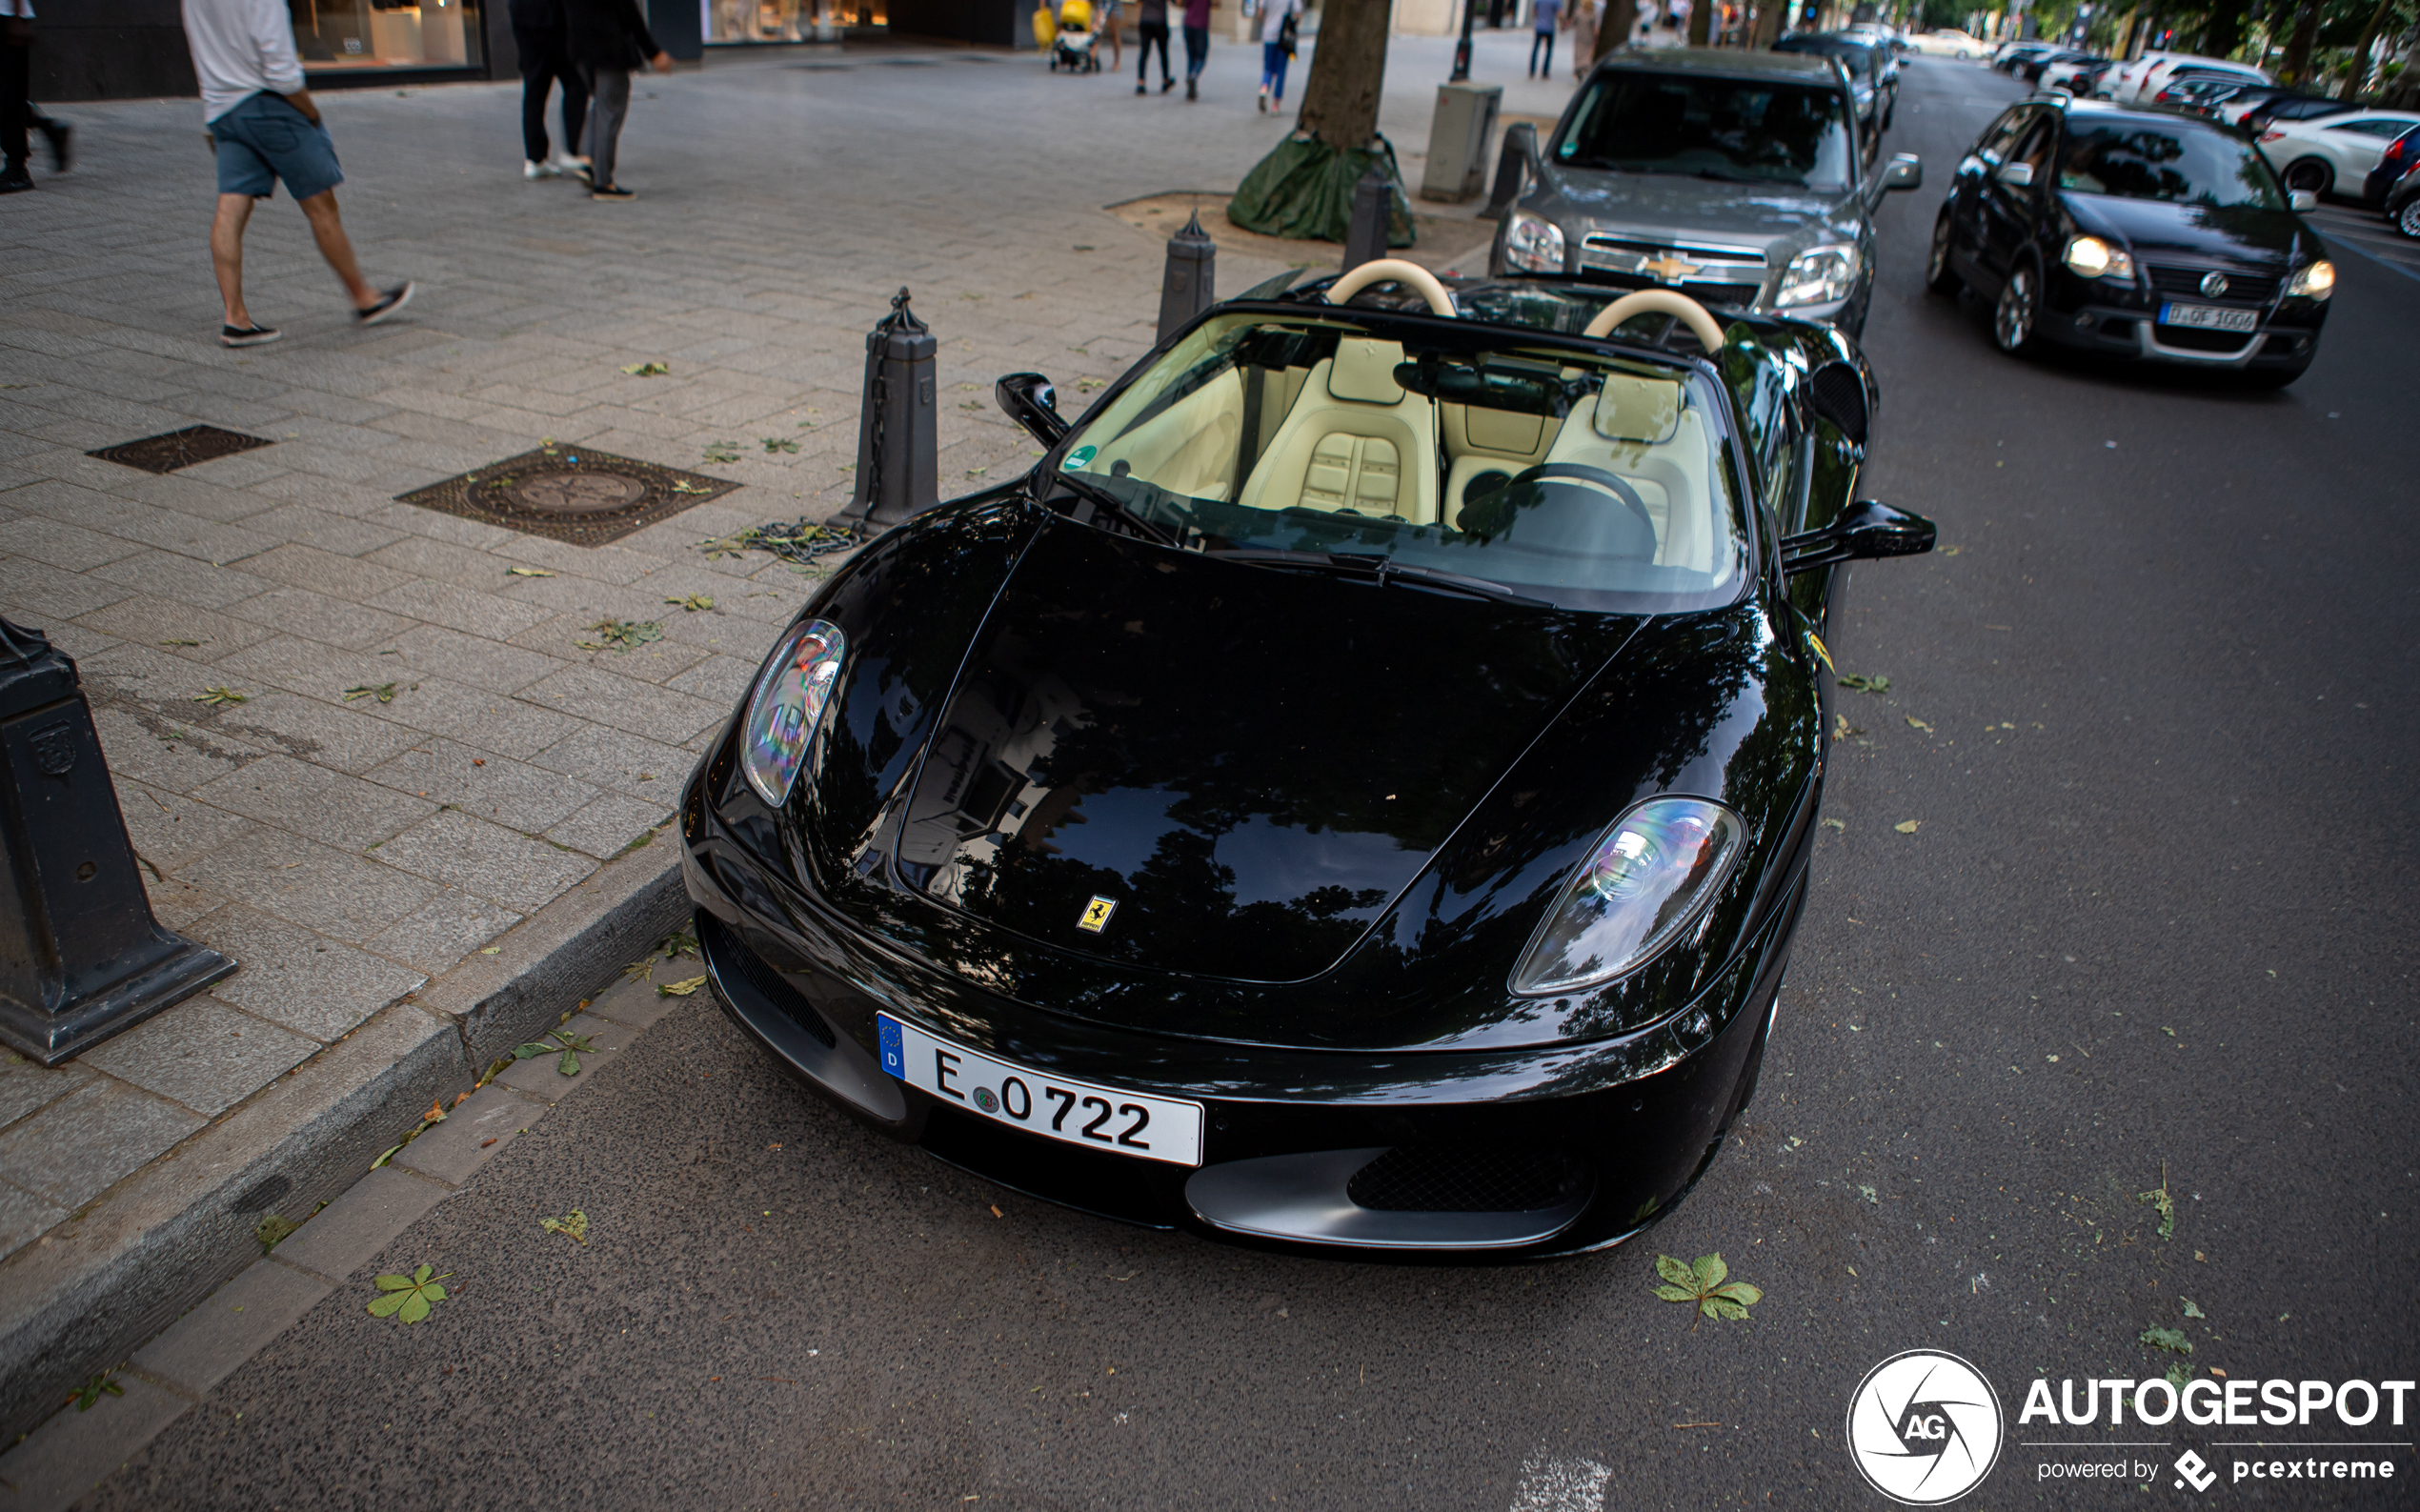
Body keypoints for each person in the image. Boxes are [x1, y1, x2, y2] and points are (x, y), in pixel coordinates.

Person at [180, 0, 412, 347]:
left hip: (222, 107)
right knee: (322, 207)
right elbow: (282, 71)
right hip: (272, 106)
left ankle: (236, 319)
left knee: (231, 206)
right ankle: (364, 299)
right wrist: (311, 113)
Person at [562, 0, 672, 202]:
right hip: (608, 49)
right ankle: (603, 183)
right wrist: (653, 53)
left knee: (600, 104)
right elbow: (629, 12)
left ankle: (586, 158)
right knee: (610, 111)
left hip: (579, 48)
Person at [511, 0, 588, 180]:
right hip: (552, 18)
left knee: (534, 90)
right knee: (576, 83)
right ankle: (572, 150)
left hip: (522, 16)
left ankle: (535, 159)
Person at [0, 0, 70, 193]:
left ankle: (17, 170)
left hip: (7, 15)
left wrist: (16, 16)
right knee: (8, 95)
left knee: (9, 95)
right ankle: (48, 127)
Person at [1256, 0, 1300, 113]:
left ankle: (1263, 89)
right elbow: (1298, 12)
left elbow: (1260, 12)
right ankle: (1276, 105)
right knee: (1281, 70)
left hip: (1268, 34)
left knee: (1268, 67)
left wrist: (1267, 21)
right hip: (1283, 37)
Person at [1133, 0, 1173, 93]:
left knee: (1144, 52)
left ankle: (1141, 83)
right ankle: (1165, 80)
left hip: (1145, 20)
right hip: (1159, 21)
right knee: (1163, 53)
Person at [1180, 0, 1210, 101]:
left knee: (1191, 56)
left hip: (1188, 24)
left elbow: (1183, 3)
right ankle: (1193, 75)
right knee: (1201, 57)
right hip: (1201, 25)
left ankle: (1190, 90)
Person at [1528, 0, 1559, 77]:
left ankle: (1532, 71)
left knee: (1535, 49)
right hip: (1549, 28)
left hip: (1539, 27)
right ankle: (1545, 72)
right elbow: (1559, 13)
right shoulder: (1556, 1)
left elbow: (1534, 11)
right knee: (1549, 50)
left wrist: (1537, 19)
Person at [1570, 0, 1598, 78]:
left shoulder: (1578, 13)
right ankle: (1584, 68)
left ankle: (1578, 68)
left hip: (1579, 37)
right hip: (1588, 37)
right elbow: (1593, 28)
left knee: (1578, 53)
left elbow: (1573, 23)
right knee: (1586, 54)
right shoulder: (1592, 15)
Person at [1096, 0, 1121, 72]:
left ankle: (1117, 61)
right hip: (1101, 4)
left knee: (1114, 33)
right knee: (1098, 32)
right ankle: (1093, 58)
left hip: (1114, 6)